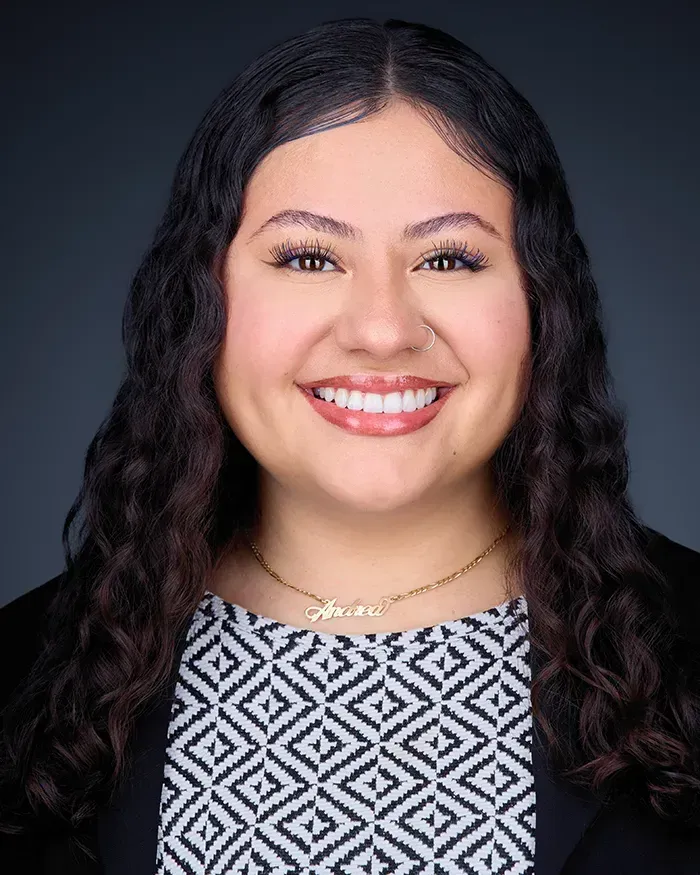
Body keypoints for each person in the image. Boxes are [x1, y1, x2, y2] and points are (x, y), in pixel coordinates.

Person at [1, 15, 699, 875]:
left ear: (543, 305)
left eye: (448, 259)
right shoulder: (23, 677)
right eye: (306, 257)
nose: (381, 329)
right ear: (200, 302)